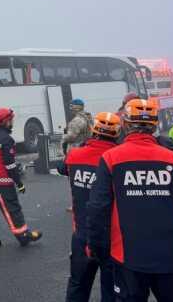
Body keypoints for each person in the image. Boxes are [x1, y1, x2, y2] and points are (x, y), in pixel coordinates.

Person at [87, 98, 173, 301]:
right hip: (172, 259)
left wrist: (96, 248)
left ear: (126, 125)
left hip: (127, 258)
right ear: (155, 125)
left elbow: (97, 209)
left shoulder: (111, 159)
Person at [58, 112, 121, 302]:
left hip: (81, 235)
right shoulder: (118, 159)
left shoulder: (74, 156)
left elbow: (62, 168)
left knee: (78, 286)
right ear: (117, 133)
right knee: (111, 290)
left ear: (94, 130)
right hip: (112, 238)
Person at [0, 107, 42, 249]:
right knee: (13, 209)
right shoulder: (7, 140)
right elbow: (10, 165)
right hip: (2, 182)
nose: (12, 122)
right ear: (6, 121)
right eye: (11, 120)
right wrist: (19, 183)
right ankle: (23, 236)